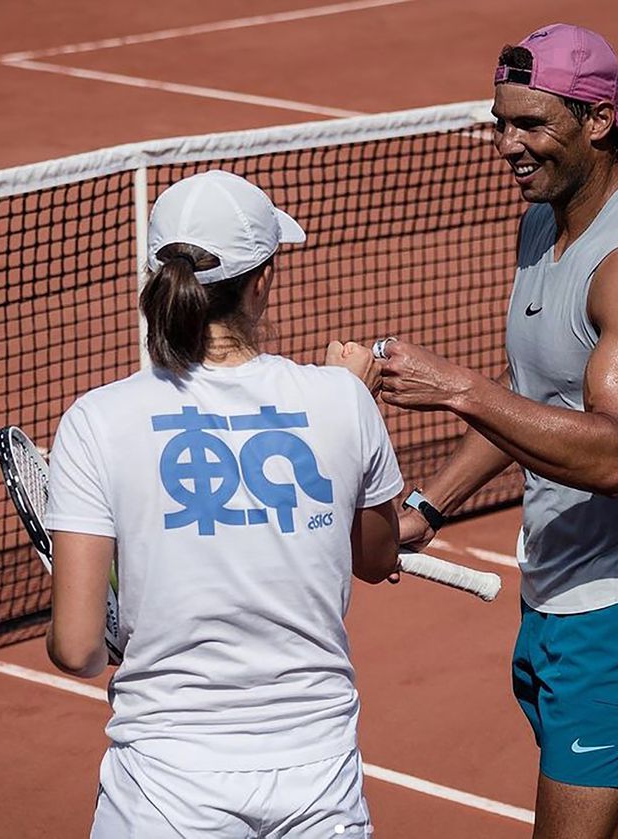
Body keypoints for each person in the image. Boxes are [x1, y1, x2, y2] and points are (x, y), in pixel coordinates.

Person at [376, 23, 618, 839]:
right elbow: (539, 399)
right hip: (557, 600)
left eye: (532, 124)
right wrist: (428, 506)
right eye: (500, 122)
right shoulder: (542, 224)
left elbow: (613, 453)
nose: (508, 144)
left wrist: (458, 388)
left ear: (597, 121)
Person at [44, 170, 402, 838]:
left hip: (163, 790)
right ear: (261, 281)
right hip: (319, 784)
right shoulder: (342, 399)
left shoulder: (96, 421)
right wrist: (351, 401)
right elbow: (376, 557)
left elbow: (76, 647)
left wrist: (117, 634)